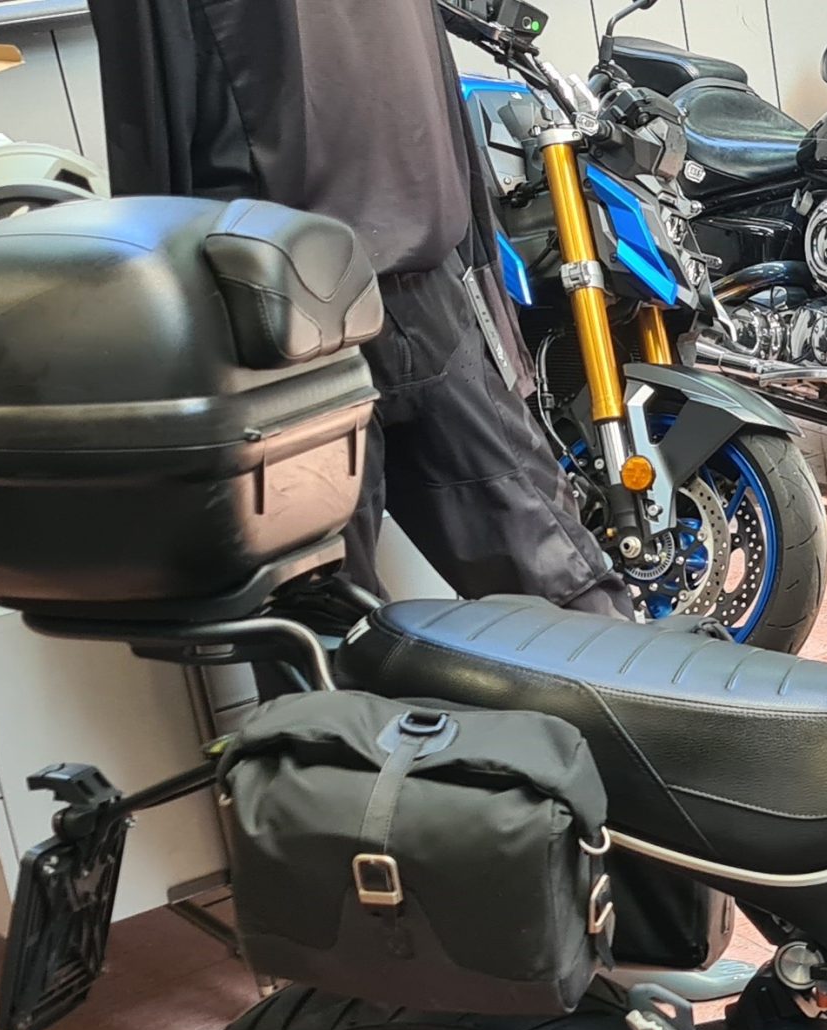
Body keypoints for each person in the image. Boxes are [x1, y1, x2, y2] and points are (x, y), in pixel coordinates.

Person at [90, 0, 638, 615]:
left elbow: (148, 112)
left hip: (282, 296)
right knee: (548, 567)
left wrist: (167, 331)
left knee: (321, 607)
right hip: (402, 260)